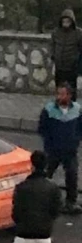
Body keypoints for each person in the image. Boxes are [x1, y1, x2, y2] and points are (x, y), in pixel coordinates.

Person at [38, 82, 82, 214]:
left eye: (62, 94)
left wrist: (76, 140)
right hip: (53, 150)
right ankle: (42, 201)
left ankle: (71, 202)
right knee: (46, 175)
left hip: (70, 150)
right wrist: (49, 143)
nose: (59, 97)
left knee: (72, 176)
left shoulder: (77, 110)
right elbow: (42, 128)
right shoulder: (49, 109)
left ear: (69, 95)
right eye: (58, 93)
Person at [51, 9, 82, 102]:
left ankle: (72, 111)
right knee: (59, 90)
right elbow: (52, 46)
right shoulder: (56, 32)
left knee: (71, 91)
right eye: (64, 21)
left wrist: (78, 64)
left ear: (72, 21)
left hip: (72, 67)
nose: (65, 23)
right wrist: (53, 57)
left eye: (68, 21)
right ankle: (59, 110)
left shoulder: (78, 33)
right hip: (59, 67)